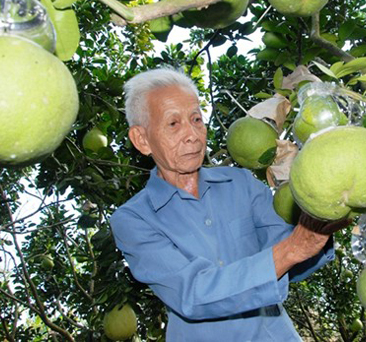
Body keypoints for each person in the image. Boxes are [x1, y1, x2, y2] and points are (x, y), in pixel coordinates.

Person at [110, 67, 348, 341]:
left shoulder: (241, 183)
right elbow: (192, 293)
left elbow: (292, 249)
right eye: (173, 124)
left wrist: (320, 217)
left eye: (196, 119)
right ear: (141, 140)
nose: (193, 135)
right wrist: (293, 249)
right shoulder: (134, 220)